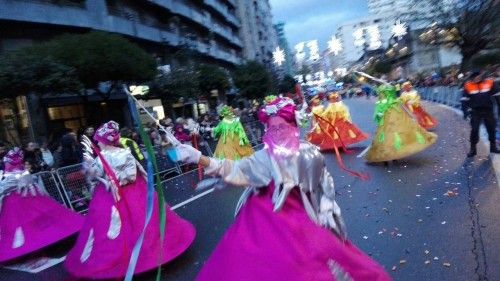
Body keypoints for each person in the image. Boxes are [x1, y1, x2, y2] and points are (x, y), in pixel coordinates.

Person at [175, 96, 392, 280]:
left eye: (282, 127)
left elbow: (323, 185)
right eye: (272, 128)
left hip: (301, 222)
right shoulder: (264, 158)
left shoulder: (309, 155)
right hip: (261, 221)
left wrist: (327, 211)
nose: (277, 133)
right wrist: (199, 158)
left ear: (293, 128)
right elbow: (235, 169)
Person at [64, 121, 195, 279]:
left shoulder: (123, 153)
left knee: (138, 220)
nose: (97, 142)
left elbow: (131, 174)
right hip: (108, 196)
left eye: (99, 139)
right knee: (109, 227)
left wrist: (114, 178)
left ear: (105, 140)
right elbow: (94, 177)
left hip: (130, 193)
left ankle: (146, 254)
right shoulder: (99, 158)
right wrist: (92, 170)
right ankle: (115, 257)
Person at [0, 147, 83, 263]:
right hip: (30, 198)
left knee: (23, 227)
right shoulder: (23, 172)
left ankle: (34, 247)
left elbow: (4, 188)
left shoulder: (12, 175)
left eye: (6, 162)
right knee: (35, 224)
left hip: (18, 202)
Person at [365, 85, 437, 163]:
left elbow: (401, 111)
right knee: (389, 137)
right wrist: (379, 113)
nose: (381, 95)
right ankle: (390, 155)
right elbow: (378, 112)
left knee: (391, 136)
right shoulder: (388, 103)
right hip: (389, 124)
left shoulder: (390, 103)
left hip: (392, 124)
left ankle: (392, 155)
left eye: (382, 93)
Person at [463, 71, 500, 157]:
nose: (477, 78)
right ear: (472, 77)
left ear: (481, 75)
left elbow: (497, 95)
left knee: (491, 129)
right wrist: (465, 112)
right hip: (475, 111)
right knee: (474, 130)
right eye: (474, 76)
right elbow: (464, 100)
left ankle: (493, 147)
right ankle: (473, 149)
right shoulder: (468, 85)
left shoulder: (490, 82)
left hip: (488, 110)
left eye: (478, 76)